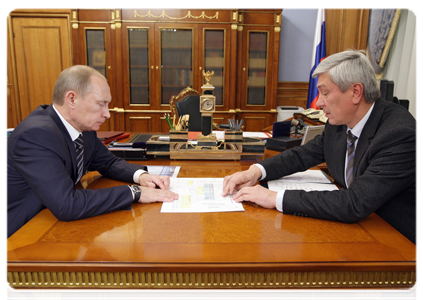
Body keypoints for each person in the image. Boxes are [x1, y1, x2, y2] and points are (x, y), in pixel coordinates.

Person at [222, 49, 420, 247]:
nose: (319, 103)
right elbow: (303, 154)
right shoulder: (340, 122)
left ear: (356, 92)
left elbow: (354, 204)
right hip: (357, 230)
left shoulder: (400, 135)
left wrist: (274, 198)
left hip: (396, 242)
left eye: (325, 93)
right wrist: (256, 172)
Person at [5, 65, 179, 240]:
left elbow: (108, 162)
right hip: (20, 236)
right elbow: (67, 205)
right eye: (101, 104)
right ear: (71, 99)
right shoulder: (36, 135)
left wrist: (140, 176)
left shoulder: (82, 128)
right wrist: (135, 192)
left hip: (50, 223)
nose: (107, 114)